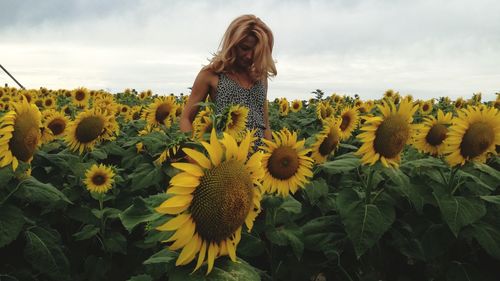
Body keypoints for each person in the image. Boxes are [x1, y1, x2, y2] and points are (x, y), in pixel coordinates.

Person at [180, 14, 277, 144]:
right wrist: (192, 151)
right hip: (224, 158)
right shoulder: (211, 74)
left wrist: (269, 153)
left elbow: (264, 124)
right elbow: (186, 118)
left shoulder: (259, 76)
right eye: (244, 48)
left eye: (256, 52)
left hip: (258, 159)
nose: (249, 56)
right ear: (232, 44)